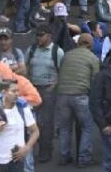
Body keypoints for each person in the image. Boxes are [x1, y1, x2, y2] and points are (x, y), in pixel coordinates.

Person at [54, 32, 99, 167]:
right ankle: (84, 158)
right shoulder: (92, 58)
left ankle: (64, 156)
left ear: (78, 43)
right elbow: (95, 80)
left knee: (65, 128)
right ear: (90, 45)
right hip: (80, 95)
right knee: (87, 126)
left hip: (62, 94)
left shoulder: (67, 55)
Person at [0, 79, 39, 172]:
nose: (17, 94)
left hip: (17, 159)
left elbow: (35, 131)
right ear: (3, 92)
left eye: (18, 91)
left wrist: (26, 148)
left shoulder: (22, 108)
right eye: (13, 91)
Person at [25, 25, 64, 164]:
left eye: (41, 35)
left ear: (49, 36)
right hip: (32, 89)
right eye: (37, 35)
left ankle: (45, 151)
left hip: (48, 89)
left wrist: (52, 87)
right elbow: (26, 66)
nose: (38, 38)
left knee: (46, 122)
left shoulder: (57, 51)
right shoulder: (31, 49)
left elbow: (62, 72)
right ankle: (29, 151)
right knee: (30, 121)